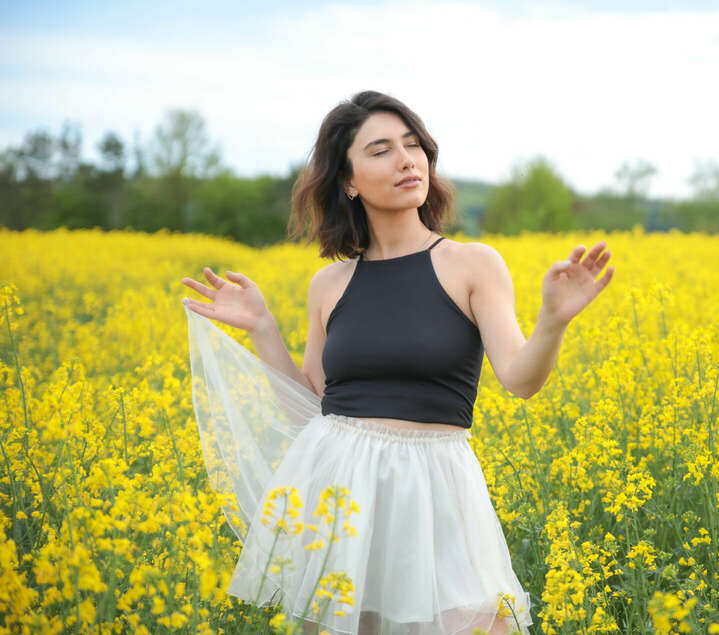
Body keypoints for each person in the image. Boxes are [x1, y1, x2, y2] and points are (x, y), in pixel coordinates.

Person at [180, 90, 614, 634]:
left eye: (414, 146)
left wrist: (553, 320)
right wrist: (265, 328)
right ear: (348, 180)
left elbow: (521, 381)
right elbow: (310, 413)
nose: (407, 160)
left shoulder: (471, 264)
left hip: (434, 488)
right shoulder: (329, 283)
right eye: (381, 149)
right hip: (338, 486)